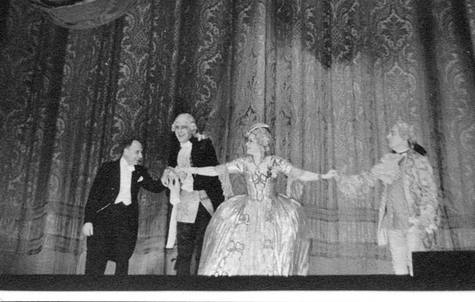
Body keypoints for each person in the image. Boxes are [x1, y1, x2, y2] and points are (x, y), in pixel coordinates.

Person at [178, 122, 335, 276]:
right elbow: (216, 170)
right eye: (247, 141)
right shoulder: (244, 162)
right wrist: (192, 169)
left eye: (250, 141)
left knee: (272, 251)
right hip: (248, 210)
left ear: (261, 142)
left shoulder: (274, 161)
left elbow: (298, 173)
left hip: (272, 212)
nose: (247, 144)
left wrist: (323, 176)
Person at [323, 120, 439, 275]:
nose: (387, 136)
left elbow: (429, 192)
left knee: (417, 269)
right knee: (399, 268)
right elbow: (366, 180)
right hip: (393, 224)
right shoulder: (389, 161)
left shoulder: (419, 160)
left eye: (392, 133)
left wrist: (424, 219)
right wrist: (341, 178)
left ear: (404, 136)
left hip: (414, 224)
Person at [82, 138, 166, 275]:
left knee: (122, 263)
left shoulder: (140, 171)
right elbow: (94, 196)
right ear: (126, 152)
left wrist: (164, 179)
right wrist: (88, 221)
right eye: (137, 152)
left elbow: (154, 187)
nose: (141, 156)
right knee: (96, 264)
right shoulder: (107, 168)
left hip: (126, 222)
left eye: (141, 153)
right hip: (104, 219)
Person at [161, 113, 224, 275]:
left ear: (192, 129)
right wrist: (169, 175)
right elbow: (171, 167)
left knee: (202, 248)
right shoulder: (174, 147)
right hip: (185, 202)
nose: (179, 131)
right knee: (184, 250)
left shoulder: (203, 144)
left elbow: (212, 173)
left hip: (203, 202)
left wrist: (189, 176)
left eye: (184, 127)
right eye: (177, 127)